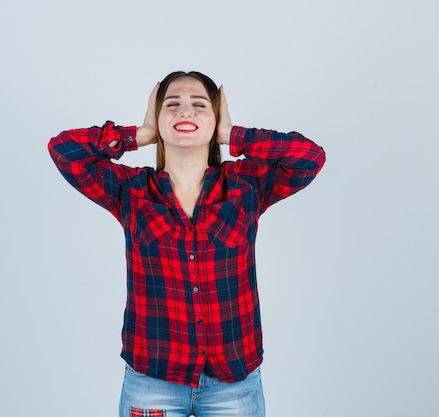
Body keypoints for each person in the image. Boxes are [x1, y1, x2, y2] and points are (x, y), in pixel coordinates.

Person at [48, 71, 326, 417]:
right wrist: (138, 135)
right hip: (153, 380)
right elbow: (63, 151)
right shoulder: (130, 191)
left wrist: (232, 135)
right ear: (157, 116)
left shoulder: (247, 185)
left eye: (199, 105)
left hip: (234, 382)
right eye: (172, 105)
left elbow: (310, 157)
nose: (185, 113)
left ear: (217, 116)